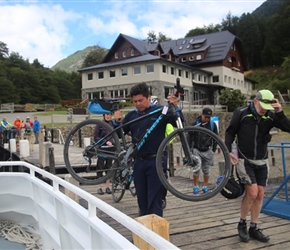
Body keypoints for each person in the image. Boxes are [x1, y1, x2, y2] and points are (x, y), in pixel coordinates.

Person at [225, 90, 290, 243]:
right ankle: (242, 223)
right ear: (255, 101)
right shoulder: (241, 113)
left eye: (267, 107)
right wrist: (228, 151)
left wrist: (279, 112)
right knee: (252, 193)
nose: (263, 109)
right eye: (261, 106)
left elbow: (287, 127)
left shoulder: (271, 114)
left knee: (260, 194)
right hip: (244, 159)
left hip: (262, 159)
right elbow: (230, 133)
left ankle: (254, 227)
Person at [122, 82, 178, 217]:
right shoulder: (131, 115)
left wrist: (175, 106)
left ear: (148, 97)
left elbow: (178, 122)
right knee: (142, 200)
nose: (137, 104)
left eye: (140, 100)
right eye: (134, 101)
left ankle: (156, 235)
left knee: (154, 200)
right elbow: (121, 131)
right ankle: (144, 231)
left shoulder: (160, 111)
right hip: (139, 162)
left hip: (156, 160)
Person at [189, 107, 218, 194]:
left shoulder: (212, 125)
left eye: (209, 117)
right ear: (202, 114)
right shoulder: (195, 124)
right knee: (196, 168)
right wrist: (190, 149)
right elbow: (189, 137)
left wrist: (213, 149)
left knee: (206, 169)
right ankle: (195, 186)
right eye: (206, 117)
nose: (207, 119)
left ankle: (205, 186)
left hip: (207, 149)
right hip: (197, 149)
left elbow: (216, 137)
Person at [94, 113, 118, 195]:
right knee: (100, 166)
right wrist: (105, 141)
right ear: (104, 115)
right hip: (102, 148)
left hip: (110, 148)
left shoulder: (112, 124)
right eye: (107, 114)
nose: (108, 116)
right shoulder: (99, 124)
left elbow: (117, 134)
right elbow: (95, 137)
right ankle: (99, 187)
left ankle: (107, 186)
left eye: (110, 115)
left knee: (109, 166)